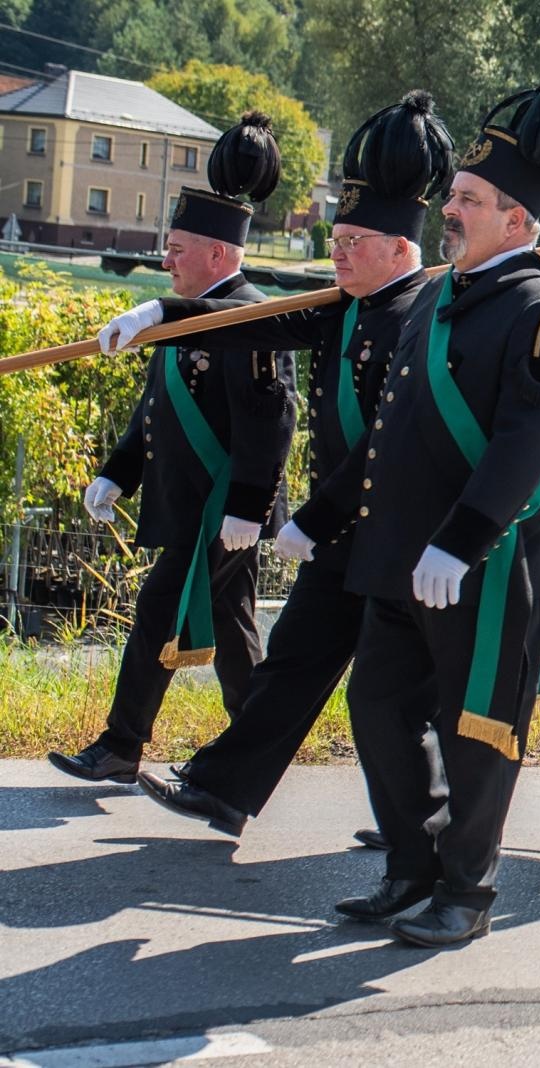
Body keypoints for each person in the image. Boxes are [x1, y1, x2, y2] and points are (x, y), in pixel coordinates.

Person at [286, 62, 540, 947]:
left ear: (518, 219)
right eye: (454, 194)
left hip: (486, 564)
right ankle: (411, 867)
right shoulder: (437, 295)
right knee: (379, 709)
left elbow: (528, 442)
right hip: (401, 555)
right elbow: (391, 432)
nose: (451, 210)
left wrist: (461, 542)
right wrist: (318, 518)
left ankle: (467, 892)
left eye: (469, 198)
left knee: (478, 730)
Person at [96, 93, 453, 841]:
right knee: (290, 663)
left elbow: (389, 442)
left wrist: (311, 518)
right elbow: (250, 320)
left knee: (401, 694)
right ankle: (222, 790)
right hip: (343, 534)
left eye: (353, 240)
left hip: (402, 535)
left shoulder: (427, 315)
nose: (337, 252)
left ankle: (431, 827)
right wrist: (160, 316)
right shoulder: (345, 304)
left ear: (399, 247)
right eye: (335, 238)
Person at [48, 114, 295, 785]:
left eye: (178, 249)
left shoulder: (253, 315)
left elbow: (272, 422)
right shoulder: (180, 315)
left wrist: (247, 508)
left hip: (223, 510)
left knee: (161, 612)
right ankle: (253, 751)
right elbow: (157, 408)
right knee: (231, 631)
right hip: (190, 505)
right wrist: (118, 473)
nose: (166, 261)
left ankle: (124, 746)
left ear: (218, 254)